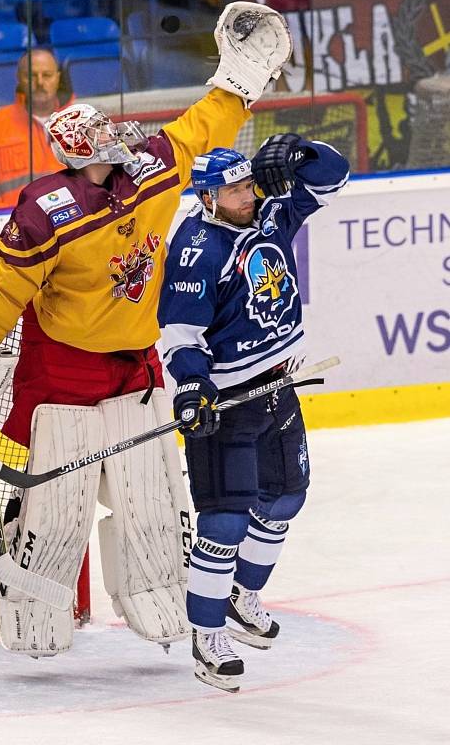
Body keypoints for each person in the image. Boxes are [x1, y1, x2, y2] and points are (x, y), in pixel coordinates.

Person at [0, 2, 293, 658]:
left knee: (151, 505)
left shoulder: (153, 167)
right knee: (59, 516)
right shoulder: (45, 211)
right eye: (104, 138)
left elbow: (202, 128)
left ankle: (160, 593)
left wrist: (236, 84)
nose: (118, 143)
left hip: (135, 363)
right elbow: (0, 281)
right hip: (64, 368)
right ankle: (25, 603)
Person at [158, 135, 349, 692]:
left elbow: (333, 178)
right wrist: (192, 390)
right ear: (209, 197)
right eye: (236, 188)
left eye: (248, 182)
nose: (249, 193)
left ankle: (244, 597)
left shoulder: (270, 215)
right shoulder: (198, 249)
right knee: (223, 523)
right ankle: (206, 635)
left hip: (279, 389)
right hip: (229, 406)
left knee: (286, 497)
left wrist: (301, 149)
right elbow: (180, 335)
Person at [0, 48, 72, 211]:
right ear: (19, 78)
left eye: (47, 75)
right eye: (31, 75)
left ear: (58, 78)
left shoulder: (82, 123)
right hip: (15, 229)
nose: (39, 82)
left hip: (74, 226)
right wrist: (3, 215)